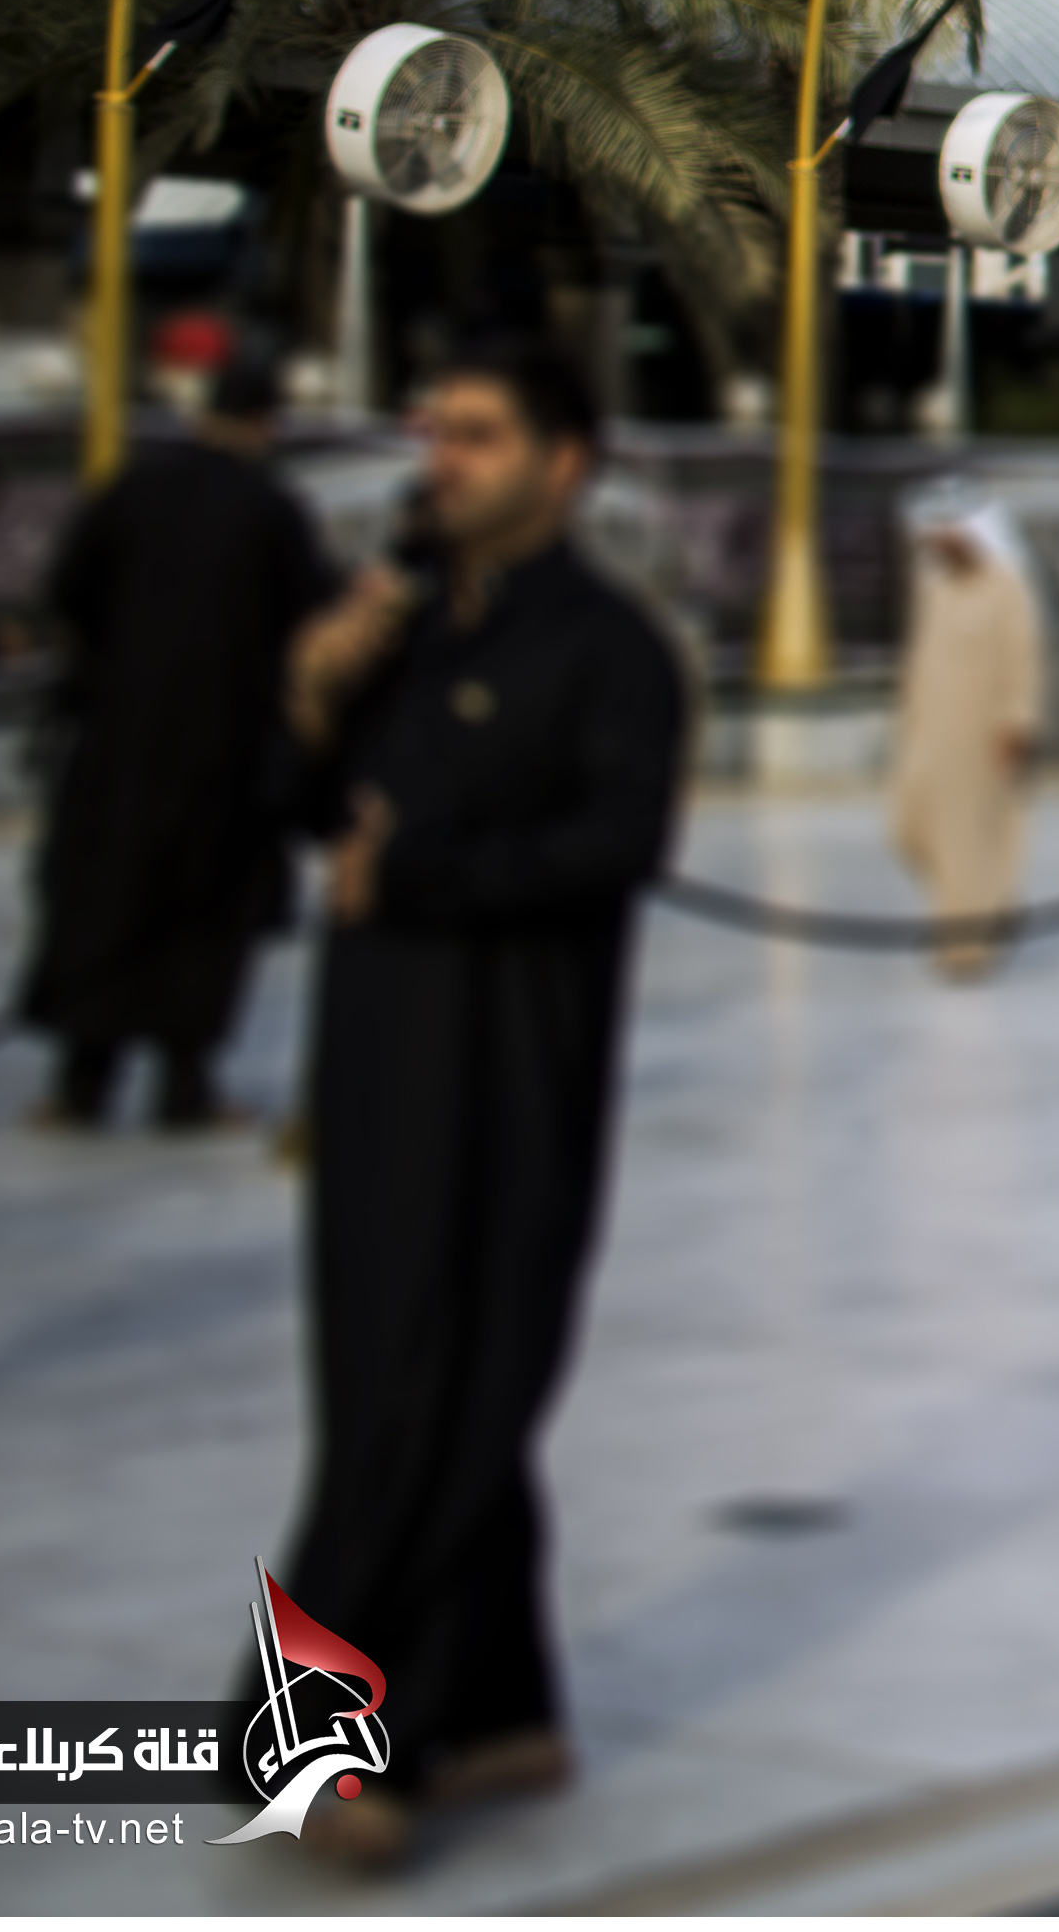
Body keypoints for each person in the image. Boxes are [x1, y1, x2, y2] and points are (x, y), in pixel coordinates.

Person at [268, 341, 688, 1870]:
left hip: (512, 1067)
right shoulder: (403, 631)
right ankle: (501, 1707)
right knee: (396, 1372)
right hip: (378, 1060)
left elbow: (616, 845)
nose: (442, 460)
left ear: (563, 464)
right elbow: (310, 821)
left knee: (443, 1384)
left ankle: (322, 1740)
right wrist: (313, 697)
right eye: (436, 432)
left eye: (480, 435)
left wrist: (423, 878)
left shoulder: (613, 651)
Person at [28, 342, 331, 1129]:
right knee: (204, 912)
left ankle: (81, 1080)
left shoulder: (133, 489)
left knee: (105, 900)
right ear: (265, 422)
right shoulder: (269, 509)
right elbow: (308, 619)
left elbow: (69, 588)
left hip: (118, 738)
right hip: (222, 748)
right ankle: (184, 1081)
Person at [887, 513, 1043, 978]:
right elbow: (919, 661)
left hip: (982, 735)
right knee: (910, 830)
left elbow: (1022, 657)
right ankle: (990, 906)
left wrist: (1016, 723)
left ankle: (965, 949)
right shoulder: (935, 587)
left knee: (965, 843)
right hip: (930, 734)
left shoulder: (1007, 586)